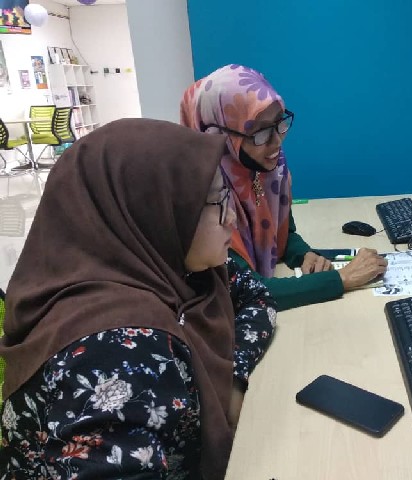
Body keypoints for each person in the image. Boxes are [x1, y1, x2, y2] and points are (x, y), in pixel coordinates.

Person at [0, 118, 275, 479]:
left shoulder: (182, 270)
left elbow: (257, 296)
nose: (233, 219)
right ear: (153, 207)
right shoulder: (113, 349)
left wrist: (233, 379)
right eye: (215, 201)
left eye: (228, 196)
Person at [181, 64, 388, 310]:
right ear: (218, 134)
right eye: (259, 132)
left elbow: (284, 233)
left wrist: (303, 254)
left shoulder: (268, 169)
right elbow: (245, 289)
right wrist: (342, 279)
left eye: (279, 122)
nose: (277, 141)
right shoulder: (203, 196)